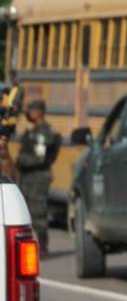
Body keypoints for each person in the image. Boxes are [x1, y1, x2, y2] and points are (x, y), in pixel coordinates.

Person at [16, 100, 61, 251]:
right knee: (24, 211)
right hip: (27, 177)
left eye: (31, 110)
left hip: (38, 177)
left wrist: (22, 160)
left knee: (38, 211)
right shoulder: (33, 131)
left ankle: (43, 245)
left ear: (39, 112)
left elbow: (39, 157)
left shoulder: (43, 132)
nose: (28, 113)